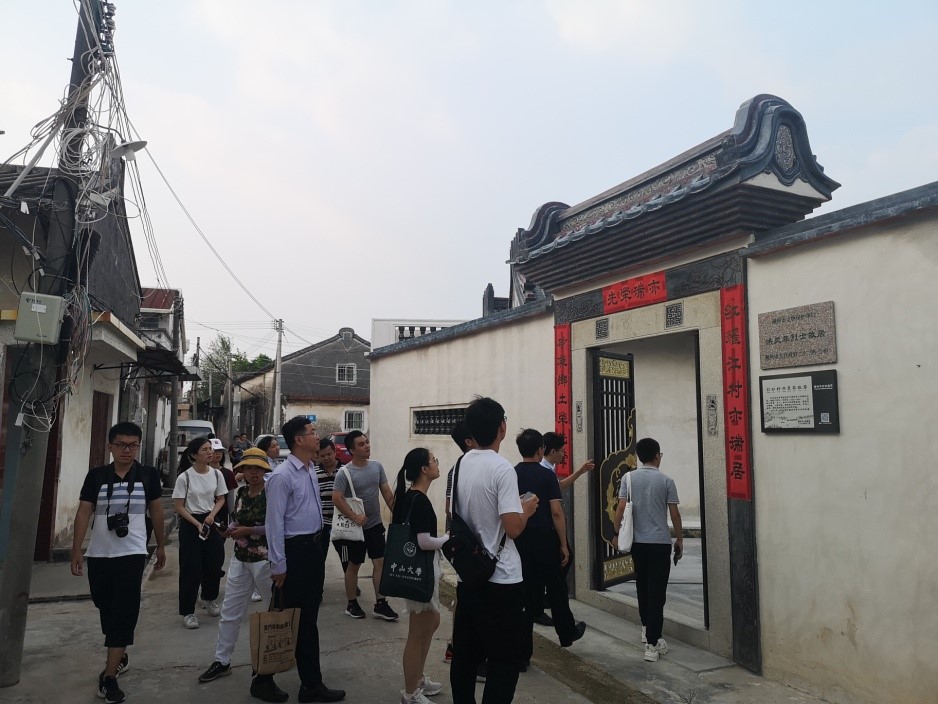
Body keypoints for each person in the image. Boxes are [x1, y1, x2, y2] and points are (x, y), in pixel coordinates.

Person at [449, 397, 538, 704]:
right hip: (501, 578)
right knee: (505, 659)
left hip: (469, 573)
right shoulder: (502, 469)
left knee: (465, 654)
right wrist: (526, 510)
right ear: (502, 427)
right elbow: (513, 528)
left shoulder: (459, 465)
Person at [70, 421, 166, 704]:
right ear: (110, 446)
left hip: (132, 552)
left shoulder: (148, 475)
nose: (127, 450)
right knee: (105, 604)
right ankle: (119, 650)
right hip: (99, 553)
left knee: (124, 610)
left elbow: (157, 512)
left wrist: (160, 545)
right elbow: (83, 512)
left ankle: (109, 676)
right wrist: (77, 549)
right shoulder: (96, 476)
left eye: (133, 445)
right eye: (122, 445)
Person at [198, 447, 289, 702]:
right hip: (241, 558)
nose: (253, 473)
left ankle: (272, 663)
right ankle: (222, 660)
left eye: (257, 468)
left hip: (265, 561)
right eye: (249, 469)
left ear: (264, 470)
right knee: (230, 612)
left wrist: (249, 530)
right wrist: (229, 529)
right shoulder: (240, 494)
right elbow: (236, 521)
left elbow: (276, 526)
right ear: (243, 472)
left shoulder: (271, 493)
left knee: (274, 615)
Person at [266, 416, 345, 702]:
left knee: (306, 618)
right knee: (289, 619)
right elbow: (274, 523)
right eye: (312, 432)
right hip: (294, 552)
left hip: (313, 549)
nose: (317, 436)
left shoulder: (310, 469)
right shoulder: (282, 476)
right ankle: (272, 679)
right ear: (299, 440)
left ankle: (309, 683)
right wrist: (279, 564)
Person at [513, 429, 586, 669]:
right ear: (541, 449)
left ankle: (522, 656)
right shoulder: (546, 476)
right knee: (557, 587)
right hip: (545, 539)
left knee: (524, 596)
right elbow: (556, 512)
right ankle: (567, 633)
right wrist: (563, 543)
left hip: (520, 538)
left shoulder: (511, 473)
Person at [612, 437, 683, 662]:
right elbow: (674, 514)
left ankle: (646, 629)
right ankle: (653, 644)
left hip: (638, 544)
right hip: (660, 544)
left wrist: (616, 533)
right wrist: (679, 539)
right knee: (657, 593)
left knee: (642, 586)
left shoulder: (629, 478)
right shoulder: (667, 481)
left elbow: (621, 508)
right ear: (656, 456)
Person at [392, 448, 448, 704]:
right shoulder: (419, 500)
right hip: (420, 572)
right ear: (424, 469)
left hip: (421, 570)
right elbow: (424, 541)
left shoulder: (411, 496)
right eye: (434, 461)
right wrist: (448, 539)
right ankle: (410, 693)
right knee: (417, 633)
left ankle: (418, 680)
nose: (437, 464)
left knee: (432, 621)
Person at [332, 430, 398, 621]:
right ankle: (352, 603)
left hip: (375, 525)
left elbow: (387, 493)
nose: (367, 446)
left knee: (380, 562)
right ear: (352, 450)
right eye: (361, 444)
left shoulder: (377, 467)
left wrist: (398, 515)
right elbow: (336, 498)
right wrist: (354, 517)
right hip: (355, 529)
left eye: (367, 442)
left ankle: (381, 603)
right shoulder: (344, 473)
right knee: (354, 565)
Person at [533, 432, 594, 627]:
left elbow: (559, 486)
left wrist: (580, 471)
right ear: (551, 451)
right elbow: (556, 509)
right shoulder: (543, 470)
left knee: (556, 564)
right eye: (561, 451)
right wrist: (562, 540)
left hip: (544, 528)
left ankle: (544, 600)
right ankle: (547, 604)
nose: (563, 455)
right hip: (547, 527)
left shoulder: (546, 469)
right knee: (560, 561)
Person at [172, 436, 228, 629]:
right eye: (205, 449)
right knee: (191, 567)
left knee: (215, 562)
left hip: (209, 521)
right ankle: (188, 611)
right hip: (190, 523)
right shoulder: (185, 477)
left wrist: (211, 516)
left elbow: (221, 498)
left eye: (210, 449)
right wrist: (196, 523)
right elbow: (179, 506)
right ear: (194, 455)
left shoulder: (216, 474)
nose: (210, 452)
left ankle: (209, 597)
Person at [442, 421, 475, 665]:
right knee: (467, 598)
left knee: (467, 596)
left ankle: (457, 646)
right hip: (466, 546)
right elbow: (448, 507)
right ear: (468, 441)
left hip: (463, 544)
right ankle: (456, 647)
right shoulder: (462, 468)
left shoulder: (460, 466)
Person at [209, 437, 238, 529]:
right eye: (215, 451)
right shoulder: (200, 473)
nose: (218, 454)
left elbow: (230, 499)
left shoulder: (228, 474)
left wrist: (232, 522)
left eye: (220, 451)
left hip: (222, 513)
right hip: (204, 512)